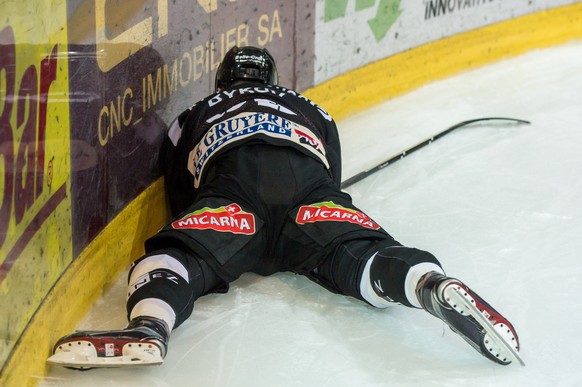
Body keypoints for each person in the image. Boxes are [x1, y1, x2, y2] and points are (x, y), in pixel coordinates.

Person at [49, 46, 522, 369]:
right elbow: (329, 169)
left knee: (175, 256)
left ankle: (150, 326)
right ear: (275, 81)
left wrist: (206, 237)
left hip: (236, 192)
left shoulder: (196, 112)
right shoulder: (313, 109)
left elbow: (180, 188)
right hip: (309, 194)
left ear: (223, 81)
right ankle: (425, 282)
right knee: (360, 255)